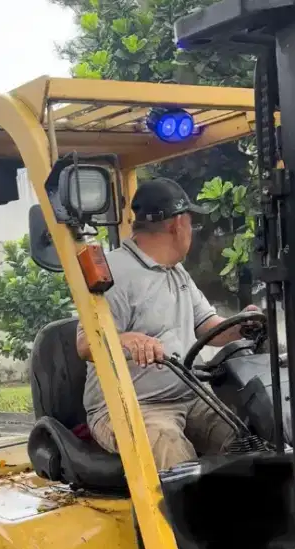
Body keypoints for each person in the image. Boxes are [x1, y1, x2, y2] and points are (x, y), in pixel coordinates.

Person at [76, 177, 260, 471]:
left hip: (191, 398)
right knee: (171, 452)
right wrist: (127, 339)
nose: (192, 231)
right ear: (177, 224)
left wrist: (242, 325)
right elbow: (86, 344)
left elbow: (208, 327)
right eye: (191, 223)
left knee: (251, 437)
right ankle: (184, 518)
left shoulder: (176, 272)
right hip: (132, 408)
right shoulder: (112, 272)